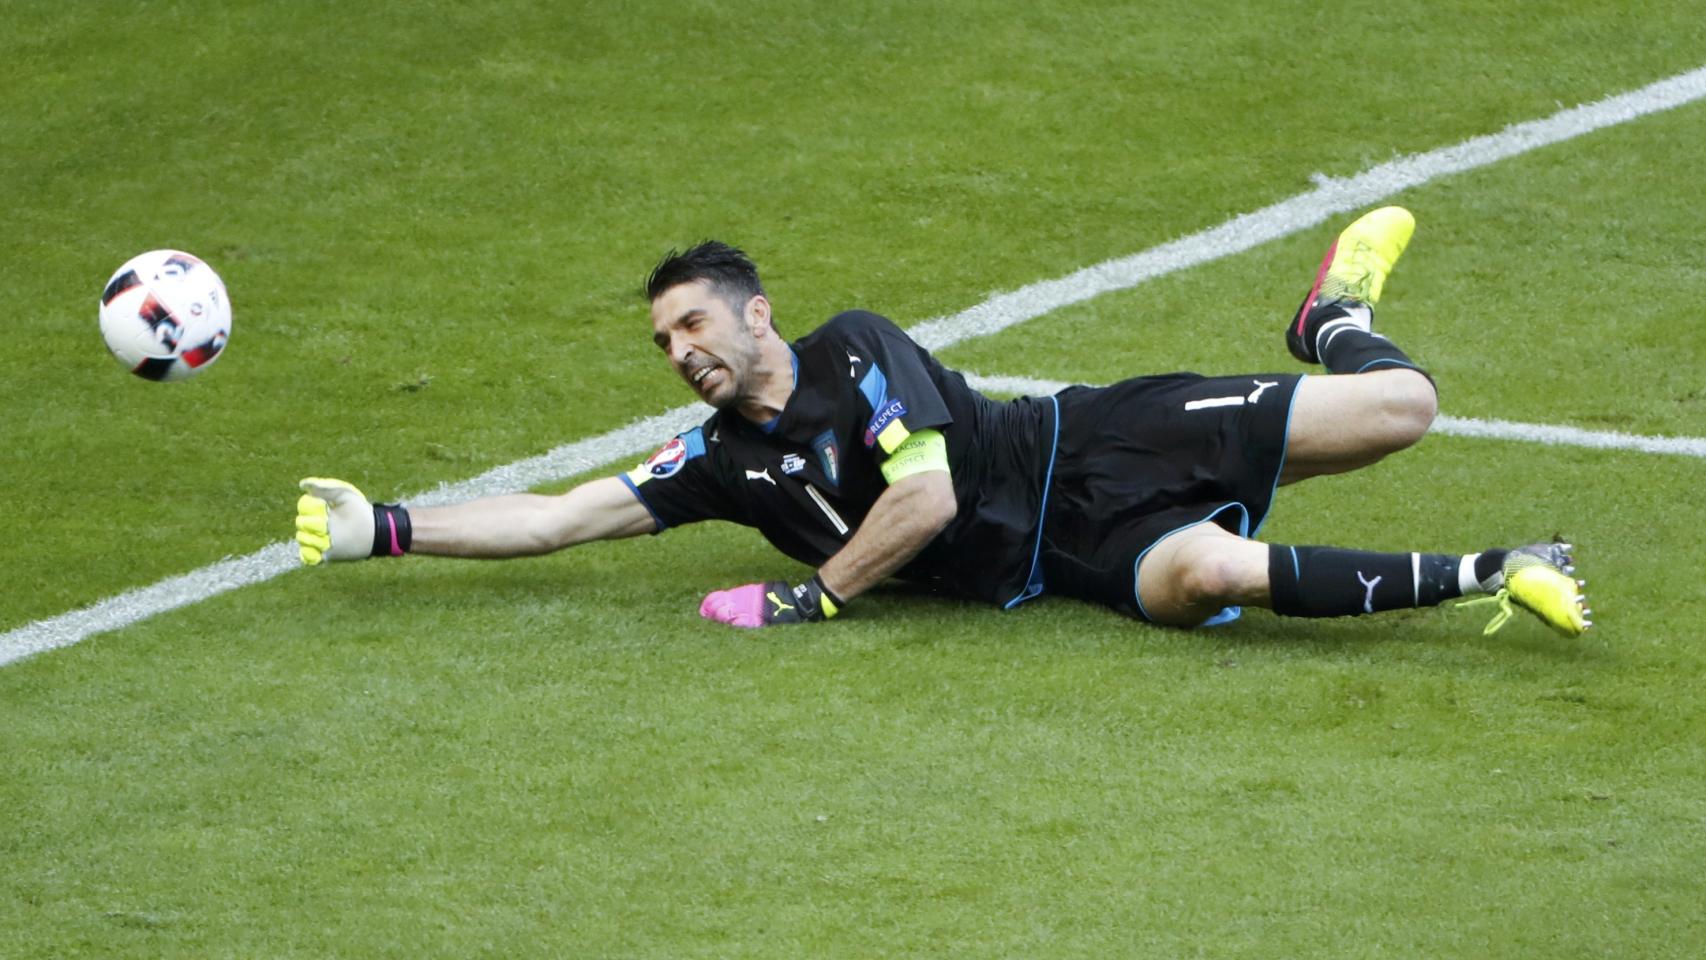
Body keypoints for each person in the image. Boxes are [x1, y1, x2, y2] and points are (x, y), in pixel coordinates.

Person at [295, 207, 1590, 637]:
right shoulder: (718, 462)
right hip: (1060, 563)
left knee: (1403, 407)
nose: (680, 352)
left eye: (695, 324)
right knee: (1205, 576)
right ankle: (1499, 569)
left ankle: (1327, 319)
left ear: (758, 315)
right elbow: (565, 513)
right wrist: (389, 530)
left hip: (1087, 445)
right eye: (662, 341)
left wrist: (815, 599)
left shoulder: (855, 352)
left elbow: (914, 499)